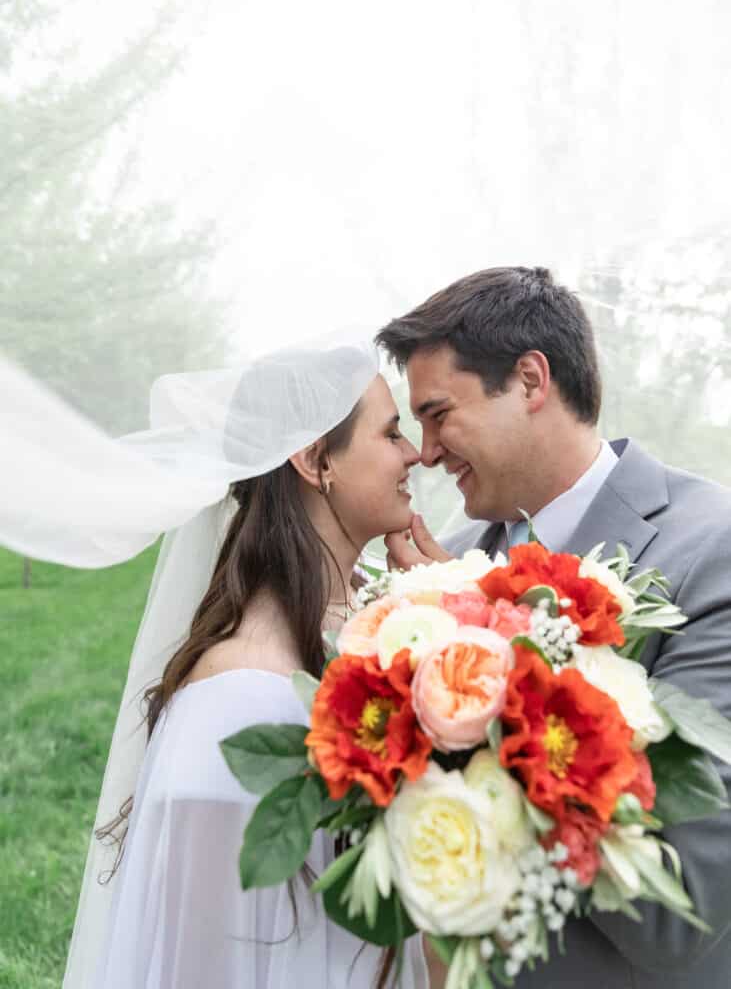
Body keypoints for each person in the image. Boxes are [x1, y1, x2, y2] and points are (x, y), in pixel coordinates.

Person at [376, 266, 731, 989]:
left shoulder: (710, 551)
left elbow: (682, 904)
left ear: (531, 381)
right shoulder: (466, 562)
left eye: (438, 412)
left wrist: (479, 662)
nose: (426, 450)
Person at [57, 335, 430, 988]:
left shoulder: (379, 638)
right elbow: (194, 964)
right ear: (317, 461)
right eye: (392, 433)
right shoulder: (240, 699)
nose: (415, 453)